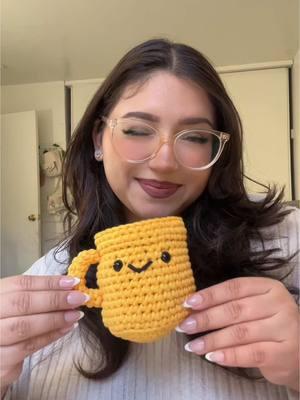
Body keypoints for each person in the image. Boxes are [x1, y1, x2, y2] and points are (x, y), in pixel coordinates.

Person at [0, 38, 299, 400]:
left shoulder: (285, 239)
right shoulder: (53, 278)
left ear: (217, 150)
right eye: (137, 130)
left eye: (195, 136)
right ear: (99, 139)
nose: (163, 161)